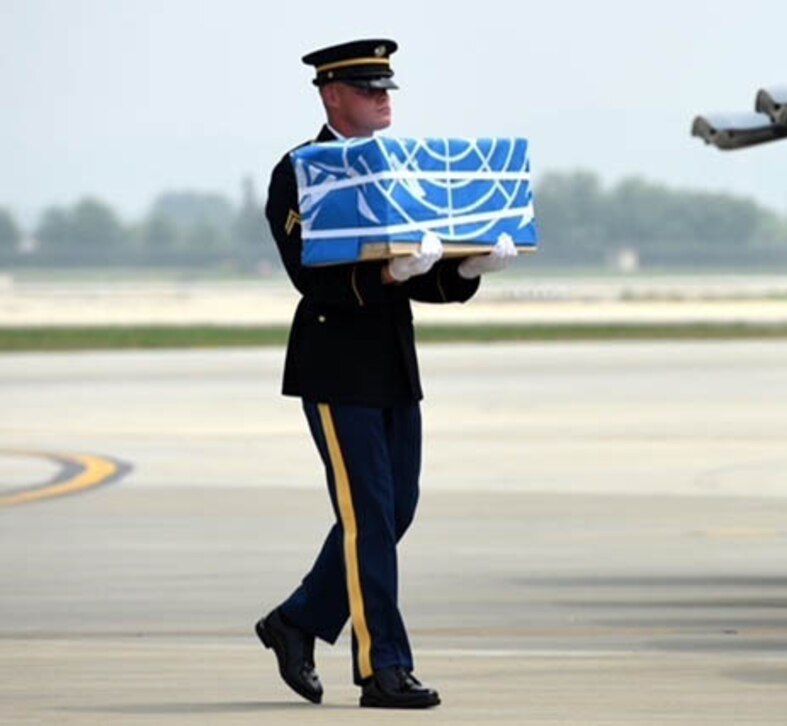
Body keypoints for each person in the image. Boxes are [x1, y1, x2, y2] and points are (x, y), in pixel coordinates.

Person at [255, 38, 517, 709]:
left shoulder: (400, 170)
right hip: (336, 365)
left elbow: (419, 275)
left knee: (395, 510)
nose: (384, 98)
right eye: (370, 89)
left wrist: (464, 270)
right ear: (331, 95)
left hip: (392, 362)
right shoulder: (300, 172)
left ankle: (297, 622)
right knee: (370, 516)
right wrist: (386, 273)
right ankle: (383, 669)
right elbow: (309, 275)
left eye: (387, 88)